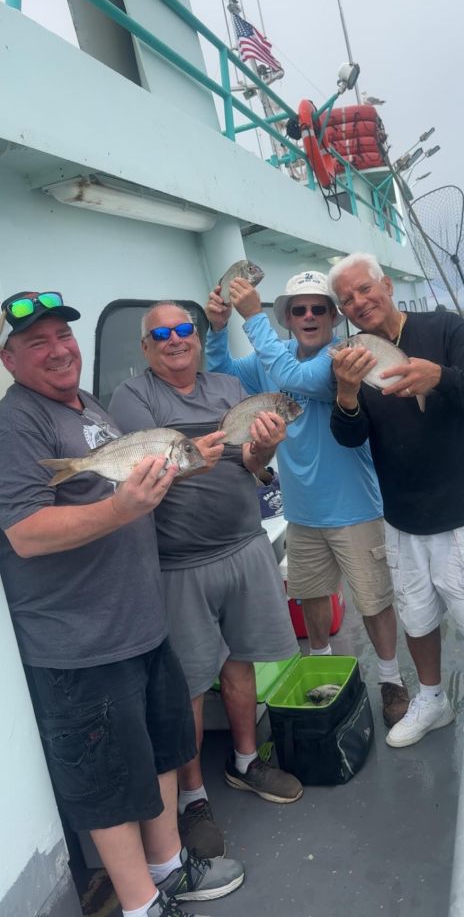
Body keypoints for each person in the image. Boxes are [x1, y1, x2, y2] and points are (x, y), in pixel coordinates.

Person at [0, 291, 244, 917]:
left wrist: (185, 467)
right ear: (9, 359)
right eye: (37, 343)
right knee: (110, 782)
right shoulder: (15, 423)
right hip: (82, 640)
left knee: (162, 754)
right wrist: (121, 509)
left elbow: (127, 476)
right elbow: (25, 533)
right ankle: (141, 905)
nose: (59, 350)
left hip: (139, 621)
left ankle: (168, 868)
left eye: (64, 337)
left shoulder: (88, 406)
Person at [109, 300, 302, 864]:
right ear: (146, 347)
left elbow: (253, 463)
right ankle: (192, 798)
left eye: (184, 329)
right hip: (178, 562)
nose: (176, 339)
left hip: (243, 544)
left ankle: (246, 761)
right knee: (189, 685)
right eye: (161, 333)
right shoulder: (135, 397)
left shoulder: (226, 388)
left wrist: (263, 449)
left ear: (197, 335)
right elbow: (135, 466)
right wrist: (193, 457)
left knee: (240, 661)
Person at [205, 270, 409, 727]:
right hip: (300, 509)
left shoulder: (343, 354)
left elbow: (298, 377)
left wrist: (253, 318)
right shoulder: (269, 360)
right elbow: (221, 374)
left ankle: (392, 680)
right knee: (312, 596)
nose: (310, 315)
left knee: (374, 600)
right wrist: (217, 329)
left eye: (320, 308)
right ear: (289, 318)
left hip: (356, 506)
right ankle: (322, 663)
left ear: (334, 317)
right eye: (300, 309)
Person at [327, 254, 464, 748]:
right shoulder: (353, 357)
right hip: (403, 515)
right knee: (417, 615)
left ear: (386, 284)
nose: (359, 302)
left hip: (462, 512)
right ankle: (433, 699)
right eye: (347, 299)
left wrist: (441, 379)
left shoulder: (445, 329)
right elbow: (350, 437)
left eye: (365, 289)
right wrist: (345, 393)